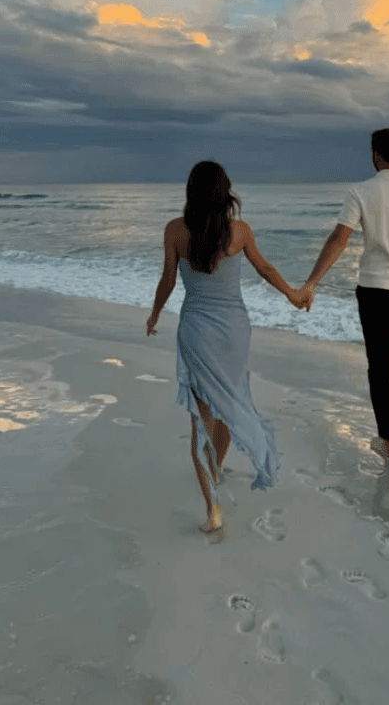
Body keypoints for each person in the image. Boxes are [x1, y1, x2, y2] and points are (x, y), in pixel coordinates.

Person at [145, 161, 312, 534]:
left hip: (196, 333)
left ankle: (213, 510)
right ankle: (217, 468)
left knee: (201, 419)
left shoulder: (175, 230)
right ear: (225, 193)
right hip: (234, 333)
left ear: (191, 192)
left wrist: (154, 315)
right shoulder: (240, 231)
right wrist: (293, 294)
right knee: (227, 403)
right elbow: (266, 269)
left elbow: (168, 280)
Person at [301, 129, 389, 462]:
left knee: (379, 366)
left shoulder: (360, 192)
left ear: (375, 154)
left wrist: (312, 282)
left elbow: (339, 239)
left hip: (373, 290)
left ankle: (387, 439)